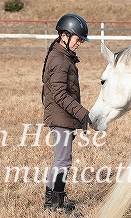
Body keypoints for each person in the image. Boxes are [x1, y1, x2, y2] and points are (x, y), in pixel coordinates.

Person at [41, 13, 91, 213]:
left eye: (81, 40)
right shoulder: (60, 60)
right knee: (63, 160)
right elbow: (60, 94)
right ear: (64, 35)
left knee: (61, 159)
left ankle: (51, 202)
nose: (80, 43)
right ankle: (56, 205)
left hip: (62, 115)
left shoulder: (61, 55)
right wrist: (82, 113)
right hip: (61, 116)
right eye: (78, 39)